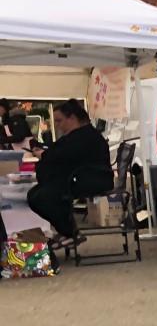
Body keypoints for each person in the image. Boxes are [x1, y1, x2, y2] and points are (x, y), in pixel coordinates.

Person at [25, 100, 112, 247]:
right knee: (37, 194)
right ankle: (67, 230)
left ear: (72, 118)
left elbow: (63, 155)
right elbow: (60, 153)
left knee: (42, 196)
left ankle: (69, 232)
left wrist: (45, 156)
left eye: (59, 120)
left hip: (90, 180)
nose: (57, 125)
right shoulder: (79, 135)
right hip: (78, 178)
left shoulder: (85, 136)